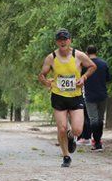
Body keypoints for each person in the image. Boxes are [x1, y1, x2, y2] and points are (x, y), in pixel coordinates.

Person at [38, 29, 96, 167]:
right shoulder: (51, 58)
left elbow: (93, 66)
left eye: (65, 39)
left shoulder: (79, 55)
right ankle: (66, 156)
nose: (62, 41)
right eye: (59, 39)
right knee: (62, 128)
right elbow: (41, 75)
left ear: (70, 40)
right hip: (58, 97)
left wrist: (84, 77)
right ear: (56, 42)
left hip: (75, 97)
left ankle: (71, 137)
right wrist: (46, 82)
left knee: (77, 130)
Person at [83, 45, 112, 151]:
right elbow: (109, 79)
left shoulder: (84, 65)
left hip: (90, 96)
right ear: (96, 52)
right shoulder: (104, 64)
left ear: (87, 53)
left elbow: (80, 79)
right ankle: (98, 142)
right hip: (102, 95)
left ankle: (97, 142)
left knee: (93, 120)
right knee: (100, 120)